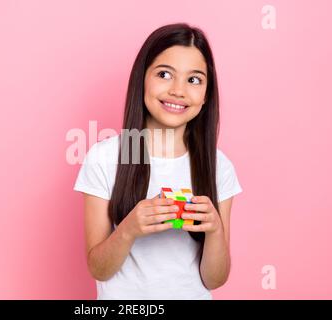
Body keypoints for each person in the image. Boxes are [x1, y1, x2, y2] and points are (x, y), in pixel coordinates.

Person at [73, 23, 243, 300]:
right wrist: (128, 230)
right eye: (165, 74)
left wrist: (214, 230)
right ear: (142, 79)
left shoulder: (218, 166)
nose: (178, 90)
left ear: (206, 95)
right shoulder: (106, 158)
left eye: (194, 80)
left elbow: (216, 278)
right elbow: (99, 269)